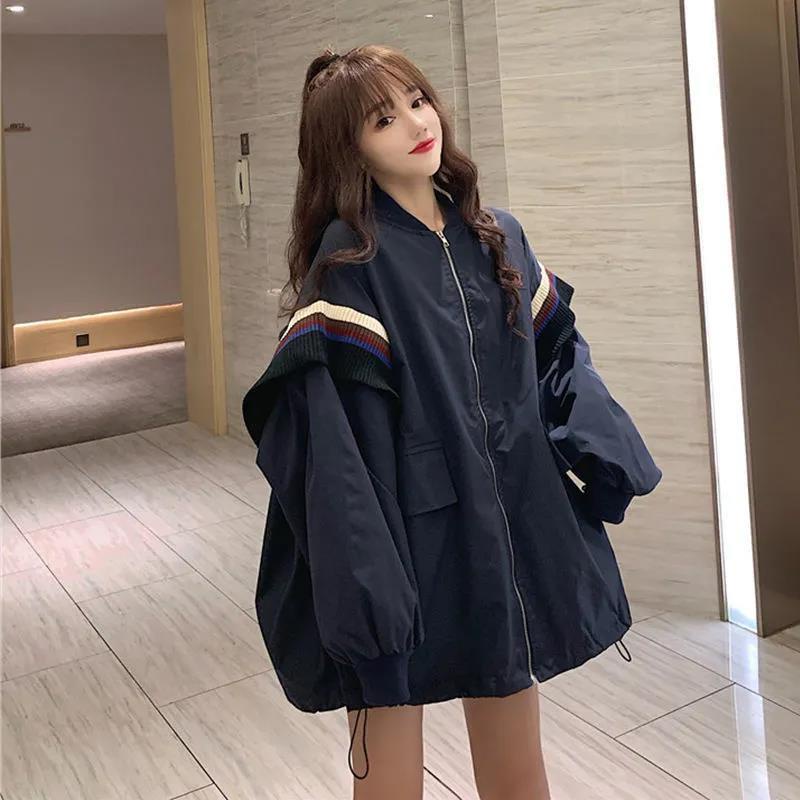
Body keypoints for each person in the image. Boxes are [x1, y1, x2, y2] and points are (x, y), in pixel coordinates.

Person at [241, 43, 663, 800]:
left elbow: (558, 355)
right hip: (405, 540)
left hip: (505, 527)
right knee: (390, 761)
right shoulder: (348, 266)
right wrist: (365, 583)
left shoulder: (497, 234)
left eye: (417, 101)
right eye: (382, 118)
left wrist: (602, 453)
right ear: (349, 148)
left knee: (516, 749)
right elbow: (335, 445)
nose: (415, 124)